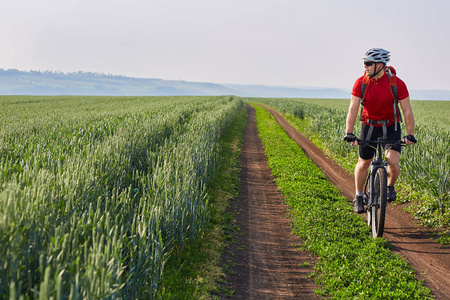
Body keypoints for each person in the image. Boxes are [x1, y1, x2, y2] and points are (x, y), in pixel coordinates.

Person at [344, 48, 416, 214]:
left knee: (392, 161)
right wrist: (349, 132)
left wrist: (410, 134)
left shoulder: (397, 84)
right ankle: (359, 196)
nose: (365, 66)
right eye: (365, 63)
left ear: (381, 65)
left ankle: (389, 187)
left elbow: (407, 111)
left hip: (391, 127)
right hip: (369, 126)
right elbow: (353, 109)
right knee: (364, 162)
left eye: (369, 63)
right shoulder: (361, 83)